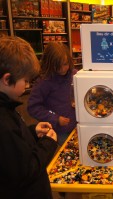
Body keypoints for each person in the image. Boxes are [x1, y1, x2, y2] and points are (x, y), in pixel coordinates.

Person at [0, 36, 58, 199]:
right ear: (7, 79)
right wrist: (48, 143)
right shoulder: (3, 121)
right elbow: (26, 170)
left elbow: (12, 146)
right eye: (25, 81)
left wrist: (31, 132)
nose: (27, 86)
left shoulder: (6, 108)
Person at [28, 42, 77, 146]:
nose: (63, 69)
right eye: (58, 66)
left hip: (77, 125)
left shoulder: (74, 75)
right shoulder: (44, 81)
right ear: (49, 64)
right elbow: (33, 107)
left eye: (65, 64)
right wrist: (55, 118)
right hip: (58, 130)